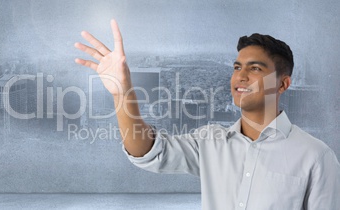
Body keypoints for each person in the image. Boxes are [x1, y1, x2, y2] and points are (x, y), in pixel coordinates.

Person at [75, 19, 340, 210]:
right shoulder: (210, 142)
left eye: (255, 68)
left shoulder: (316, 157)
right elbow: (145, 151)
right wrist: (122, 91)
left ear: (283, 84)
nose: (241, 76)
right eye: (237, 67)